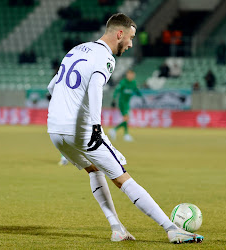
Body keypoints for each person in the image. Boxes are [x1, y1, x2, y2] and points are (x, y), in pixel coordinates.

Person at [46, 13, 203, 244]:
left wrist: (66, 110)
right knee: (123, 179)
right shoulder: (106, 58)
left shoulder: (77, 49)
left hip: (55, 130)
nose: (130, 44)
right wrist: (96, 125)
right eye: (130, 38)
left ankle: (117, 228)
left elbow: (52, 86)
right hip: (82, 130)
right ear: (119, 33)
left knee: (94, 171)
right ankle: (172, 229)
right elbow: (96, 88)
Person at [109, 69, 144, 142]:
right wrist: (114, 99)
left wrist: (142, 97)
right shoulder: (123, 82)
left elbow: (136, 91)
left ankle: (122, 133)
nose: (131, 76)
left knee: (126, 119)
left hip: (127, 103)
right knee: (126, 118)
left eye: (132, 75)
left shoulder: (133, 83)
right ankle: (121, 132)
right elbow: (116, 90)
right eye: (129, 74)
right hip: (122, 103)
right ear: (127, 75)